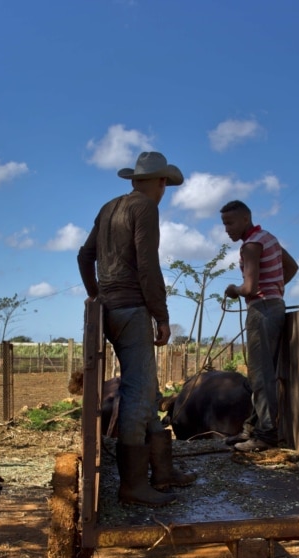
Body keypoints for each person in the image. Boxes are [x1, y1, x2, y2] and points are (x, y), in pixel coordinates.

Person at [77, 151, 196, 507]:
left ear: (134, 180)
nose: (164, 190)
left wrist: (98, 297)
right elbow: (147, 265)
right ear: (160, 182)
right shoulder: (145, 208)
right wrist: (161, 315)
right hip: (132, 309)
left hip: (111, 309)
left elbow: (85, 257)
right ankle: (132, 485)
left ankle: (161, 473)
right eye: (165, 184)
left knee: (147, 388)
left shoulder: (109, 208)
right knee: (137, 391)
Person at [220, 200, 299, 452]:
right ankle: (251, 428)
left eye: (230, 223)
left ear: (245, 220)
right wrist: (276, 287)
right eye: (224, 224)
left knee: (261, 375)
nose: (227, 229)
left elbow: (249, 288)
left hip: (261, 309)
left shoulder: (251, 245)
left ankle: (265, 435)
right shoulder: (269, 238)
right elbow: (292, 267)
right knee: (260, 373)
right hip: (274, 306)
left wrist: (234, 290)